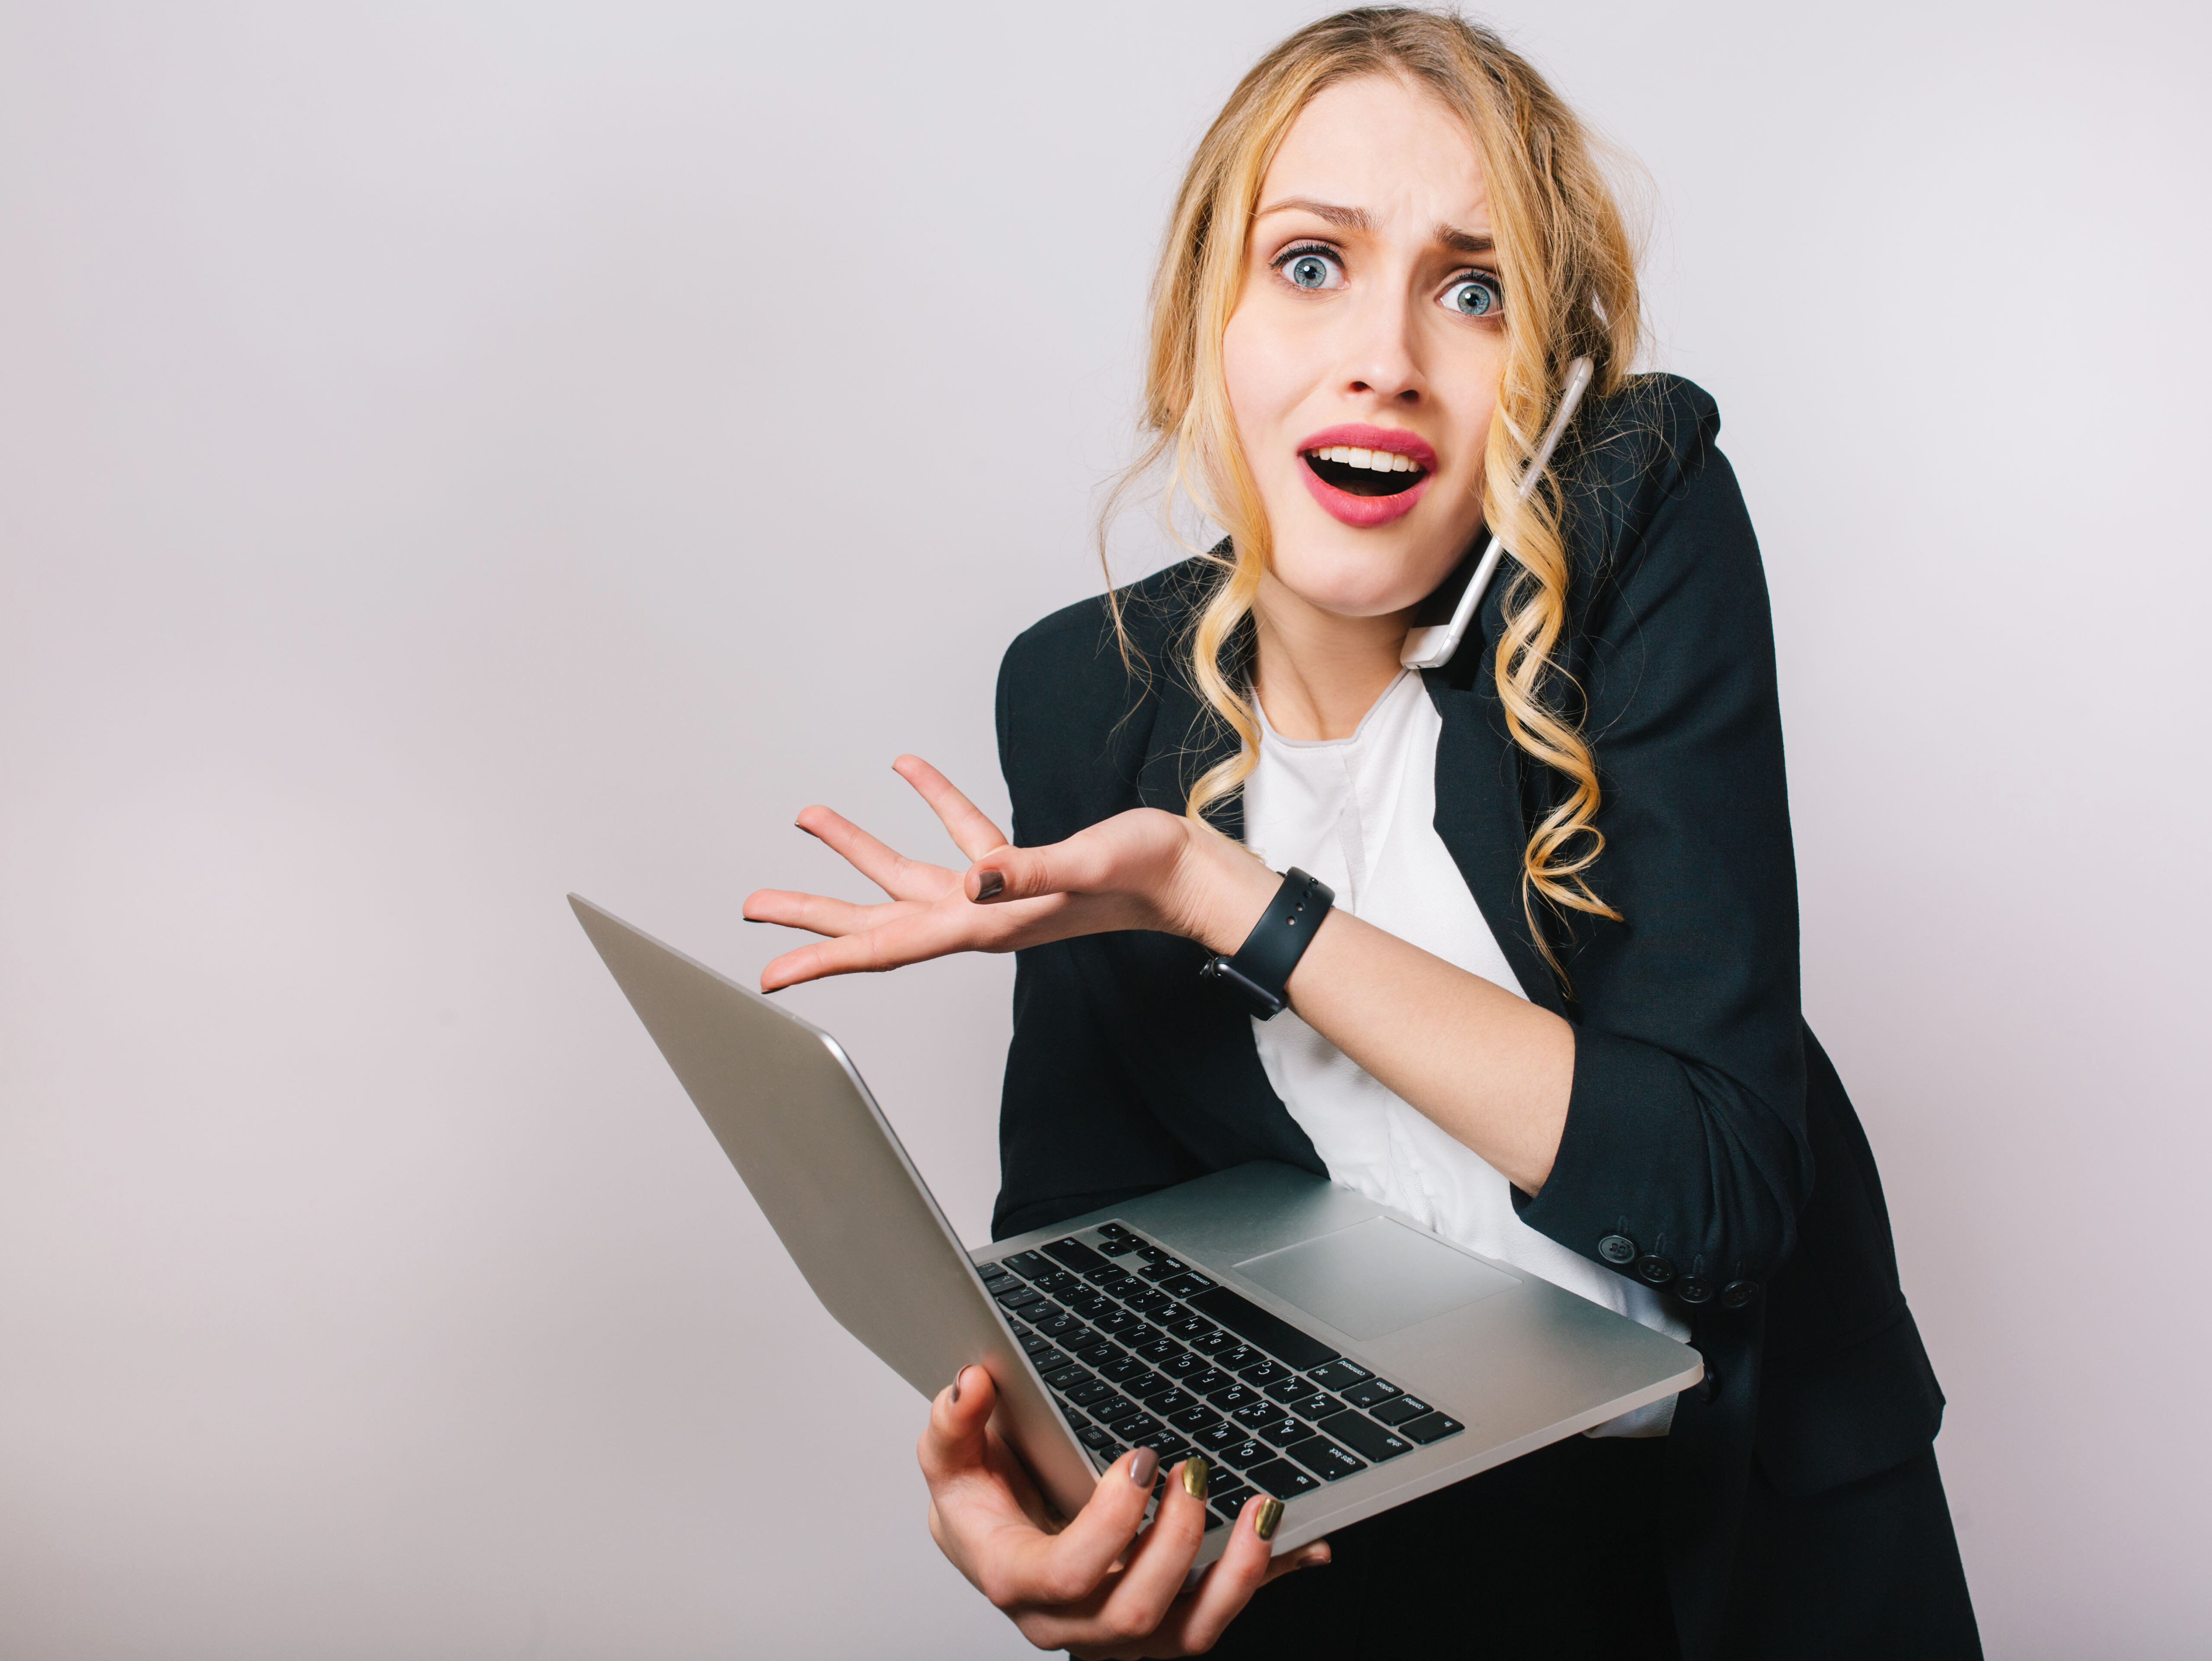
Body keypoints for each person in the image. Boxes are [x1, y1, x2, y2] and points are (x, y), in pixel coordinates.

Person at [742, 9, 1981, 1658]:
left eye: (1474, 292)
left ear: (1544, 384)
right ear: (1205, 329)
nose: (1386, 353)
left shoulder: (1639, 528)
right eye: (1311, 262)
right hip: (1349, 1572)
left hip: (1739, 1558)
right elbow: (1092, 1243)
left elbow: (1718, 1192)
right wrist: (1022, 1508)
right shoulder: (1078, 695)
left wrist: (1217, 891)